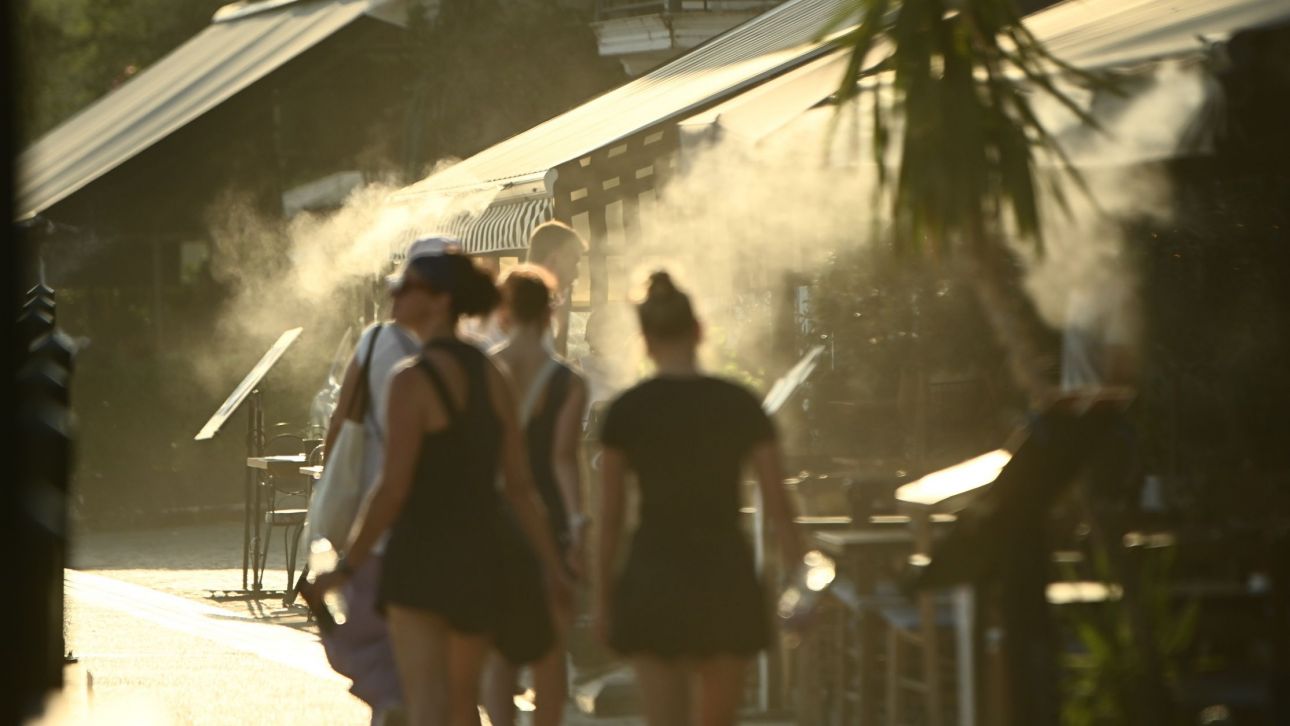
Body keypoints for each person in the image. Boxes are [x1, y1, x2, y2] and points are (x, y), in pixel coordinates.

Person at [315, 248, 571, 726]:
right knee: (462, 699)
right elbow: (519, 487)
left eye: (407, 285)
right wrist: (552, 565)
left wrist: (348, 565)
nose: (394, 293)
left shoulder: (411, 380)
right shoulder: (491, 375)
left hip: (420, 556)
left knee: (426, 702)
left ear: (440, 300)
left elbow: (393, 488)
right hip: (480, 556)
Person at [594, 272, 803, 726]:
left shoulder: (627, 411)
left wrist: (603, 599)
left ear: (645, 341)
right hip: (723, 571)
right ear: (699, 331)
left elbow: (610, 517)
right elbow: (780, 507)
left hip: (654, 572)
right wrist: (800, 584)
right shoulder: (740, 405)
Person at [315, 237, 452, 723]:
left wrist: (330, 483)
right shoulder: (467, 354)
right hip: (444, 528)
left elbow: (340, 422)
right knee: (442, 669)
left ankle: (393, 709)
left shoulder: (374, 343)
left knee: (381, 649)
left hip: (379, 522)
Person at [483, 266, 589, 726]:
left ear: (504, 313)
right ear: (550, 312)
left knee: (499, 650)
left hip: (493, 516)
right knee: (550, 648)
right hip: (549, 514)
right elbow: (564, 459)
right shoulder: (568, 381)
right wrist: (579, 524)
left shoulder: (485, 370)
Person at [525, 221, 586, 354]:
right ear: (554, 259)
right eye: (574, 262)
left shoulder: (541, 306)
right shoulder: (524, 307)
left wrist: (563, 326)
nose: (576, 274)